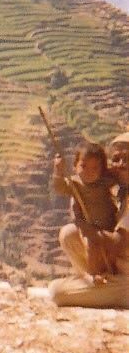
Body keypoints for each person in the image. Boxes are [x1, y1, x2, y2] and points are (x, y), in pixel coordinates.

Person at [49, 131, 129, 308]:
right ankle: (96, 280)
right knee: (69, 234)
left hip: (125, 281)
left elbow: (119, 243)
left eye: (127, 160)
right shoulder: (117, 190)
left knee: (56, 292)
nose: (121, 165)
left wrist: (89, 230)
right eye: (116, 159)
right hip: (115, 267)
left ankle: (98, 287)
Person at [50, 140, 117, 276]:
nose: (88, 172)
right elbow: (59, 187)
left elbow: (118, 178)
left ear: (102, 170)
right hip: (89, 227)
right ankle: (94, 276)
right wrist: (58, 170)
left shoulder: (104, 182)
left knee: (110, 252)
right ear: (75, 166)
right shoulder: (74, 184)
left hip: (109, 226)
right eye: (83, 166)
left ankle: (111, 274)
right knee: (92, 248)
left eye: (95, 168)